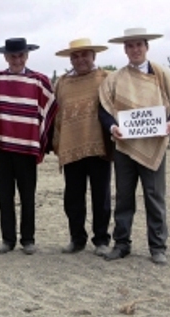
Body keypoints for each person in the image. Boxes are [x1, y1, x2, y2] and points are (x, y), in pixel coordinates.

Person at [98, 28, 170, 265]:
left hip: (154, 145)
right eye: (130, 46)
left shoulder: (163, 73)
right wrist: (112, 128)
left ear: (146, 47)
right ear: (125, 49)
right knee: (124, 197)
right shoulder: (115, 78)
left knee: (155, 196)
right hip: (124, 147)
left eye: (139, 45)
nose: (135, 50)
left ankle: (158, 246)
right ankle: (121, 243)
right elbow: (104, 109)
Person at [0, 37, 58, 255]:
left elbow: (51, 107)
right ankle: (7, 239)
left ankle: (28, 239)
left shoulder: (39, 81)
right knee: (4, 194)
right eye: (12, 56)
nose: (17, 59)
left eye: (20, 55)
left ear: (27, 55)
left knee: (28, 195)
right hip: (0, 147)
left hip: (27, 147)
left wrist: (44, 140)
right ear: (5, 57)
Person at [52, 38, 113, 256]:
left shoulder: (106, 78)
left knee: (101, 197)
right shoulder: (62, 83)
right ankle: (76, 238)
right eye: (75, 56)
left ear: (93, 56)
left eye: (84, 55)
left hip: (99, 147)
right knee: (73, 198)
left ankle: (101, 240)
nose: (80, 60)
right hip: (71, 147)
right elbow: (55, 114)